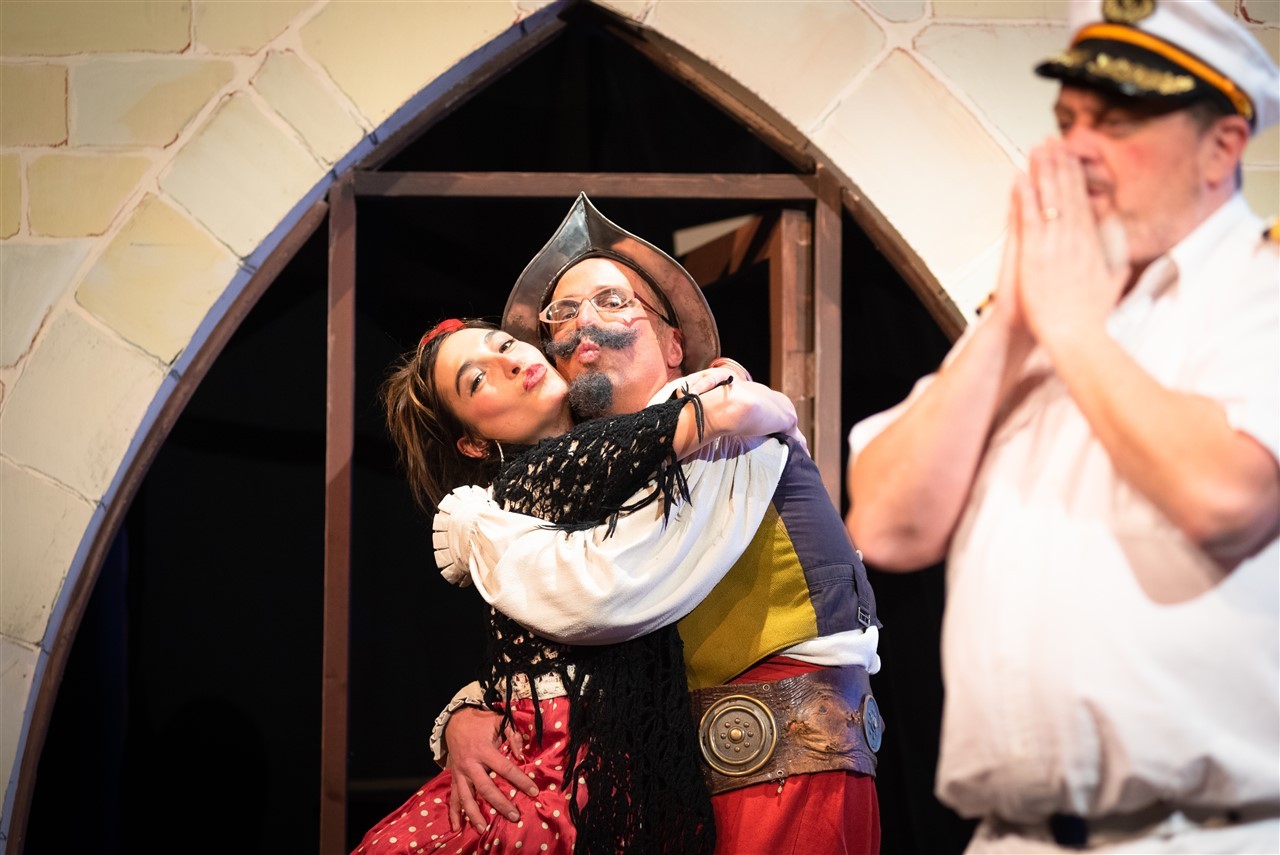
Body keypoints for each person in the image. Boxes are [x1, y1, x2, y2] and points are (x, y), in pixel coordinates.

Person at [846, 1, 1279, 852]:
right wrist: (1013, 322)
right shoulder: (1046, 307)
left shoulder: (1257, 295)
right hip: (1013, 834)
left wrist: (1074, 330)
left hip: (1202, 834)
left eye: (1115, 122)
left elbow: (1225, 497)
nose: (1077, 147)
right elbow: (887, 526)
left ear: (1222, 146)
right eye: (1069, 119)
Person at [435, 194, 884, 854]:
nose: (585, 322)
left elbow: (602, 592)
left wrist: (482, 533)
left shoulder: (714, 416)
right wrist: (473, 708)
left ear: (676, 345)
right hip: (679, 797)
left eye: (613, 302)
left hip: (781, 772)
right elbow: (576, 645)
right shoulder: (608, 473)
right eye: (563, 314)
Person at [353, 316, 803, 855]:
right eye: (478, 378)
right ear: (472, 444)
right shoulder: (535, 478)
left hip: (618, 759)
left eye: (505, 344)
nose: (511, 361)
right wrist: (734, 387)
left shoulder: (605, 460)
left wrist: (463, 712)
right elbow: (732, 412)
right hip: (551, 770)